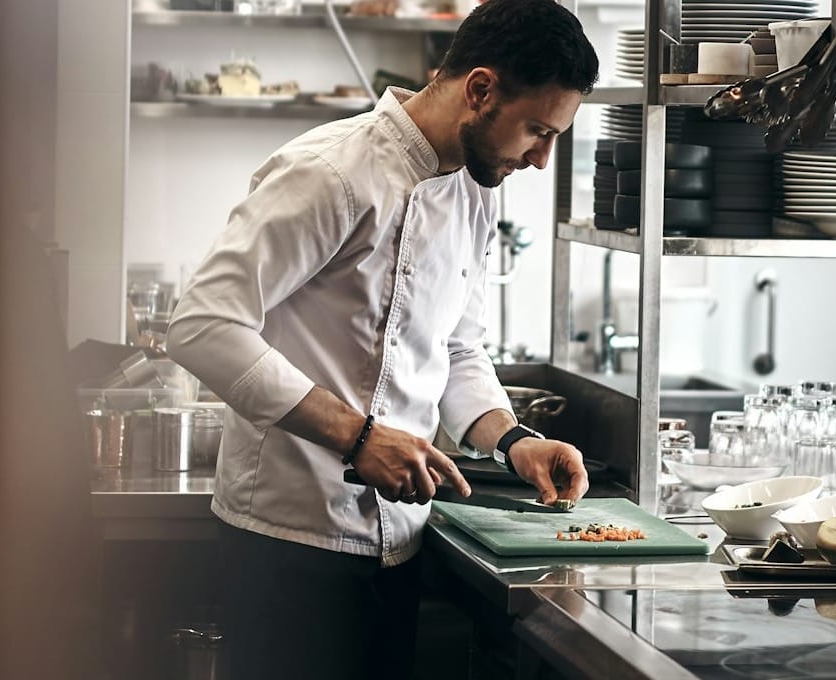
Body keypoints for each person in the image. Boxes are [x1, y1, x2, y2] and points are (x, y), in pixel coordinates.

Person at [166, 1, 599, 677]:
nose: (541, 160)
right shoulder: (328, 172)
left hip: (399, 542)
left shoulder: (477, 190)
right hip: (288, 540)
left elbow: (455, 344)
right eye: (536, 131)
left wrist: (513, 441)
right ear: (479, 90)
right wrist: (360, 438)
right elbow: (202, 326)